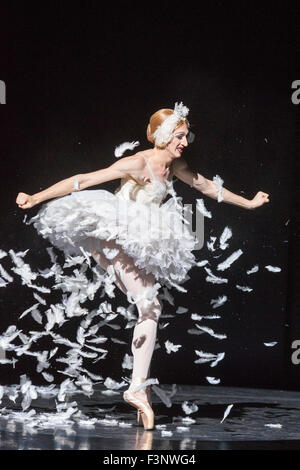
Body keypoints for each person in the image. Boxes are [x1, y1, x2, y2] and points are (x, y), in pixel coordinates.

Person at [16, 102, 270, 430]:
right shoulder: (137, 163)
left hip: (136, 239)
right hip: (114, 234)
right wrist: (37, 198)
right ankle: (137, 389)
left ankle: (139, 389)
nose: (186, 141)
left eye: (187, 135)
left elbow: (206, 185)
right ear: (163, 137)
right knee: (150, 305)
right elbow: (84, 179)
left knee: (149, 309)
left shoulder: (176, 167)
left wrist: (249, 203)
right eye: (179, 136)